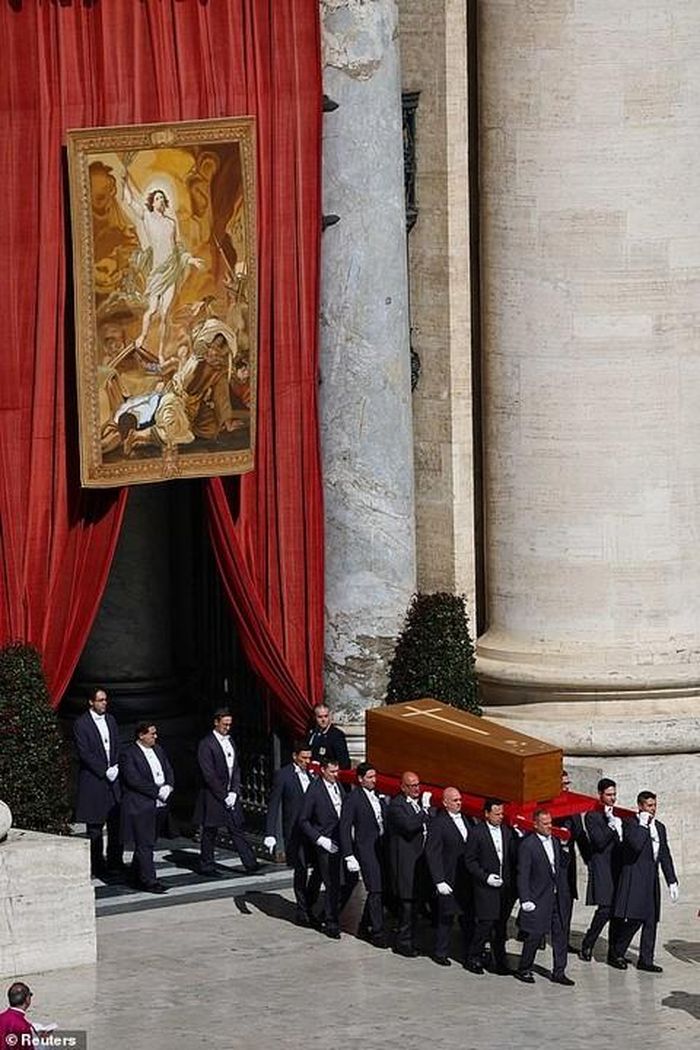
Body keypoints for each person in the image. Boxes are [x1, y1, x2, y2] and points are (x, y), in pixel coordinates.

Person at [121, 177, 204, 364]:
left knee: (165, 313)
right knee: (152, 310)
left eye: (162, 198)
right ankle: (142, 336)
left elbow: (178, 247)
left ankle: (160, 353)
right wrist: (125, 184)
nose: (160, 201)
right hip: (157, 272)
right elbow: (130, 201)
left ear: (165, 202)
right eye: (157, 198)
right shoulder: (147, 217)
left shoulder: (171, 223)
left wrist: (190, 259)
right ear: (152, 202)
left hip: (171, 271)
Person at [611, 791, 679, 972]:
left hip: (651, 879)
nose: (653, 809)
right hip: (636, 877)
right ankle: (617, 951)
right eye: (649, 805)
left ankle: (646, 960)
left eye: (654, 805)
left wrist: (672, 880)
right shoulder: (630, 823)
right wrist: (643, 825)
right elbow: (635, 845)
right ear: (640, 806)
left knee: (651, 919)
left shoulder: (660, 827)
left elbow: (664, 854)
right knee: (635, 918)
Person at [194, 708, 259, 877]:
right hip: (213, 795)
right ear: (216, 722)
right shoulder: (206, 744)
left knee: (237, 828)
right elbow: (209, 775)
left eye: (229, 724)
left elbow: (235, 768)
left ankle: (250, 863)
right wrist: (223, 795)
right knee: (210, 831)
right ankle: (207, 865)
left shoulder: (230, 741)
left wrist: (234, 791)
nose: (227, 728)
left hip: (230, 793)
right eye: (225, 724)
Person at [515, 809, 574, 986]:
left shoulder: (555, 841)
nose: (549, 826)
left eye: (550, 823)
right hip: (539, 897)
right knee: (535, 934)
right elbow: (523, 874)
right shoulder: (528, 845)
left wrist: (565, 848)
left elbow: (562, 866)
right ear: (535, 824)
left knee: (560, 934)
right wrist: (525, 899)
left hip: (557, 896)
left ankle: (559, 971)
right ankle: (524, 968)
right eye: (545, 823)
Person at [73, 688, 123, 879]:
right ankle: (97, 865)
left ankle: (115, 862)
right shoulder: (81, 723)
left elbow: (117, 745)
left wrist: (116, 765)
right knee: (95, 827)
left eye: (105, 700)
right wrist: (103, 770)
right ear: (91, 702)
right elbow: (84, 753)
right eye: (100, 700)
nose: (104, 703)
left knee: (116, 823)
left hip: (113, 780)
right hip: (94, 780)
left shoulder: (111, 720)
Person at [263, 742, 315, 926]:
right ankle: (302, 910)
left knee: (318, 869)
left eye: (309, 758)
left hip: (314, 830)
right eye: (304, 758)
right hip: (295, 831)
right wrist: (270, 833)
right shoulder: (283, 775)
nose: (307, 761)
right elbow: (274, 804)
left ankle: (310, 903)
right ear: (295, 756)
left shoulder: (313, 773)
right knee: (301, 869)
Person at [339, 762, 389, 948]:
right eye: (369, 777)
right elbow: (345, 827)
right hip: (366, 849)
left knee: (381, 888)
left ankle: (364, 924)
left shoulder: (378, 796)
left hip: (381, 847)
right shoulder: (353, 799)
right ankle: (377, 931)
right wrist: (348, 854)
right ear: (360, 779)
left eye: (374, 777)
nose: (374, 780)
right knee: (374, 889)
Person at [120, 722, 174, 894]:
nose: (155, 737)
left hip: (160, 804)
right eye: (152, 734)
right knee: (145, 844)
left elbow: (168, 769)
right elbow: (133, 780)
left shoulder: (158, 750)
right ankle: (150, 881)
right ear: (141, 735)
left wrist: (169, 786)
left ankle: (135, 876)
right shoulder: (129, 754)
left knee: (149, 842)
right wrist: (156, 791)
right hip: (141, 804)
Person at [464, 798, 516, 975]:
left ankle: (500, 961)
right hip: (485, 887)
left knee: (501, 925)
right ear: (487, 814)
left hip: (504, 887)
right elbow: (470, 861)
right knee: (485, 924)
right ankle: (473, 957)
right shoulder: (477, 832)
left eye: (502, 813)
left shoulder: (506, 831)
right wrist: (485, 877)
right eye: (496, 814)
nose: (500, 817)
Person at [425, 786, 474, 967]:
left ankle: (469, 951)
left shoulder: (466, 819)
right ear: (445, 803)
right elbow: (433, 853)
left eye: (460, 799)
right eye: (455, 800)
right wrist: (439, 880)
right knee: (446, 916)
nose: (459, 803)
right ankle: (441, 951)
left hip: (466, 877)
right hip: (449, 876)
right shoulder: (439, 823)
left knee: (468, 916)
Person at [579, 777, 624, 964]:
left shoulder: (618, 814)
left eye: (614, 794)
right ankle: (588, 942)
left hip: (618, 865)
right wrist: (612, 827)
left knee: (618, 910)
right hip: (602, 866)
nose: (612, 798)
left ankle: (614, 952)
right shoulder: (592, 816)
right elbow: (598, 842)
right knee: (605, 908)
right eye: (609, 795)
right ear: (600, 794)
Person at [386, 771, 431, 958]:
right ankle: (403, 943)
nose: (416, 789)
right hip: (406, 864)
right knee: (407, 906)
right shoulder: (396, 806)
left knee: (416, 906)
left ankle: (412, 939)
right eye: (412, 786)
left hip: (419, 862)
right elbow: (409, 826)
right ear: (403, 787)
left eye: (418, 785)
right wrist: (424, 811)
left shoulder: (416, 805)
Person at [300, 756, 345, 939]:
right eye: (332, 771)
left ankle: (309, 907)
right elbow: (303, 820)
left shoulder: (338, 786)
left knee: (330, 878)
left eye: (337, 771)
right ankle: (331, 921)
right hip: (325, 843)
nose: (335, 775)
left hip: (340, 840)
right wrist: (320, 839)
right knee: (332, 883)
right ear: (323, 770)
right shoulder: (315, 790)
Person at [308, 704, 350, 770]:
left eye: (326, 716)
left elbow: (343, 761)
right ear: (315, 717)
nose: (323, 720)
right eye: (320, 717)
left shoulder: (337, 735)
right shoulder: (312, 733)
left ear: (330, 716)